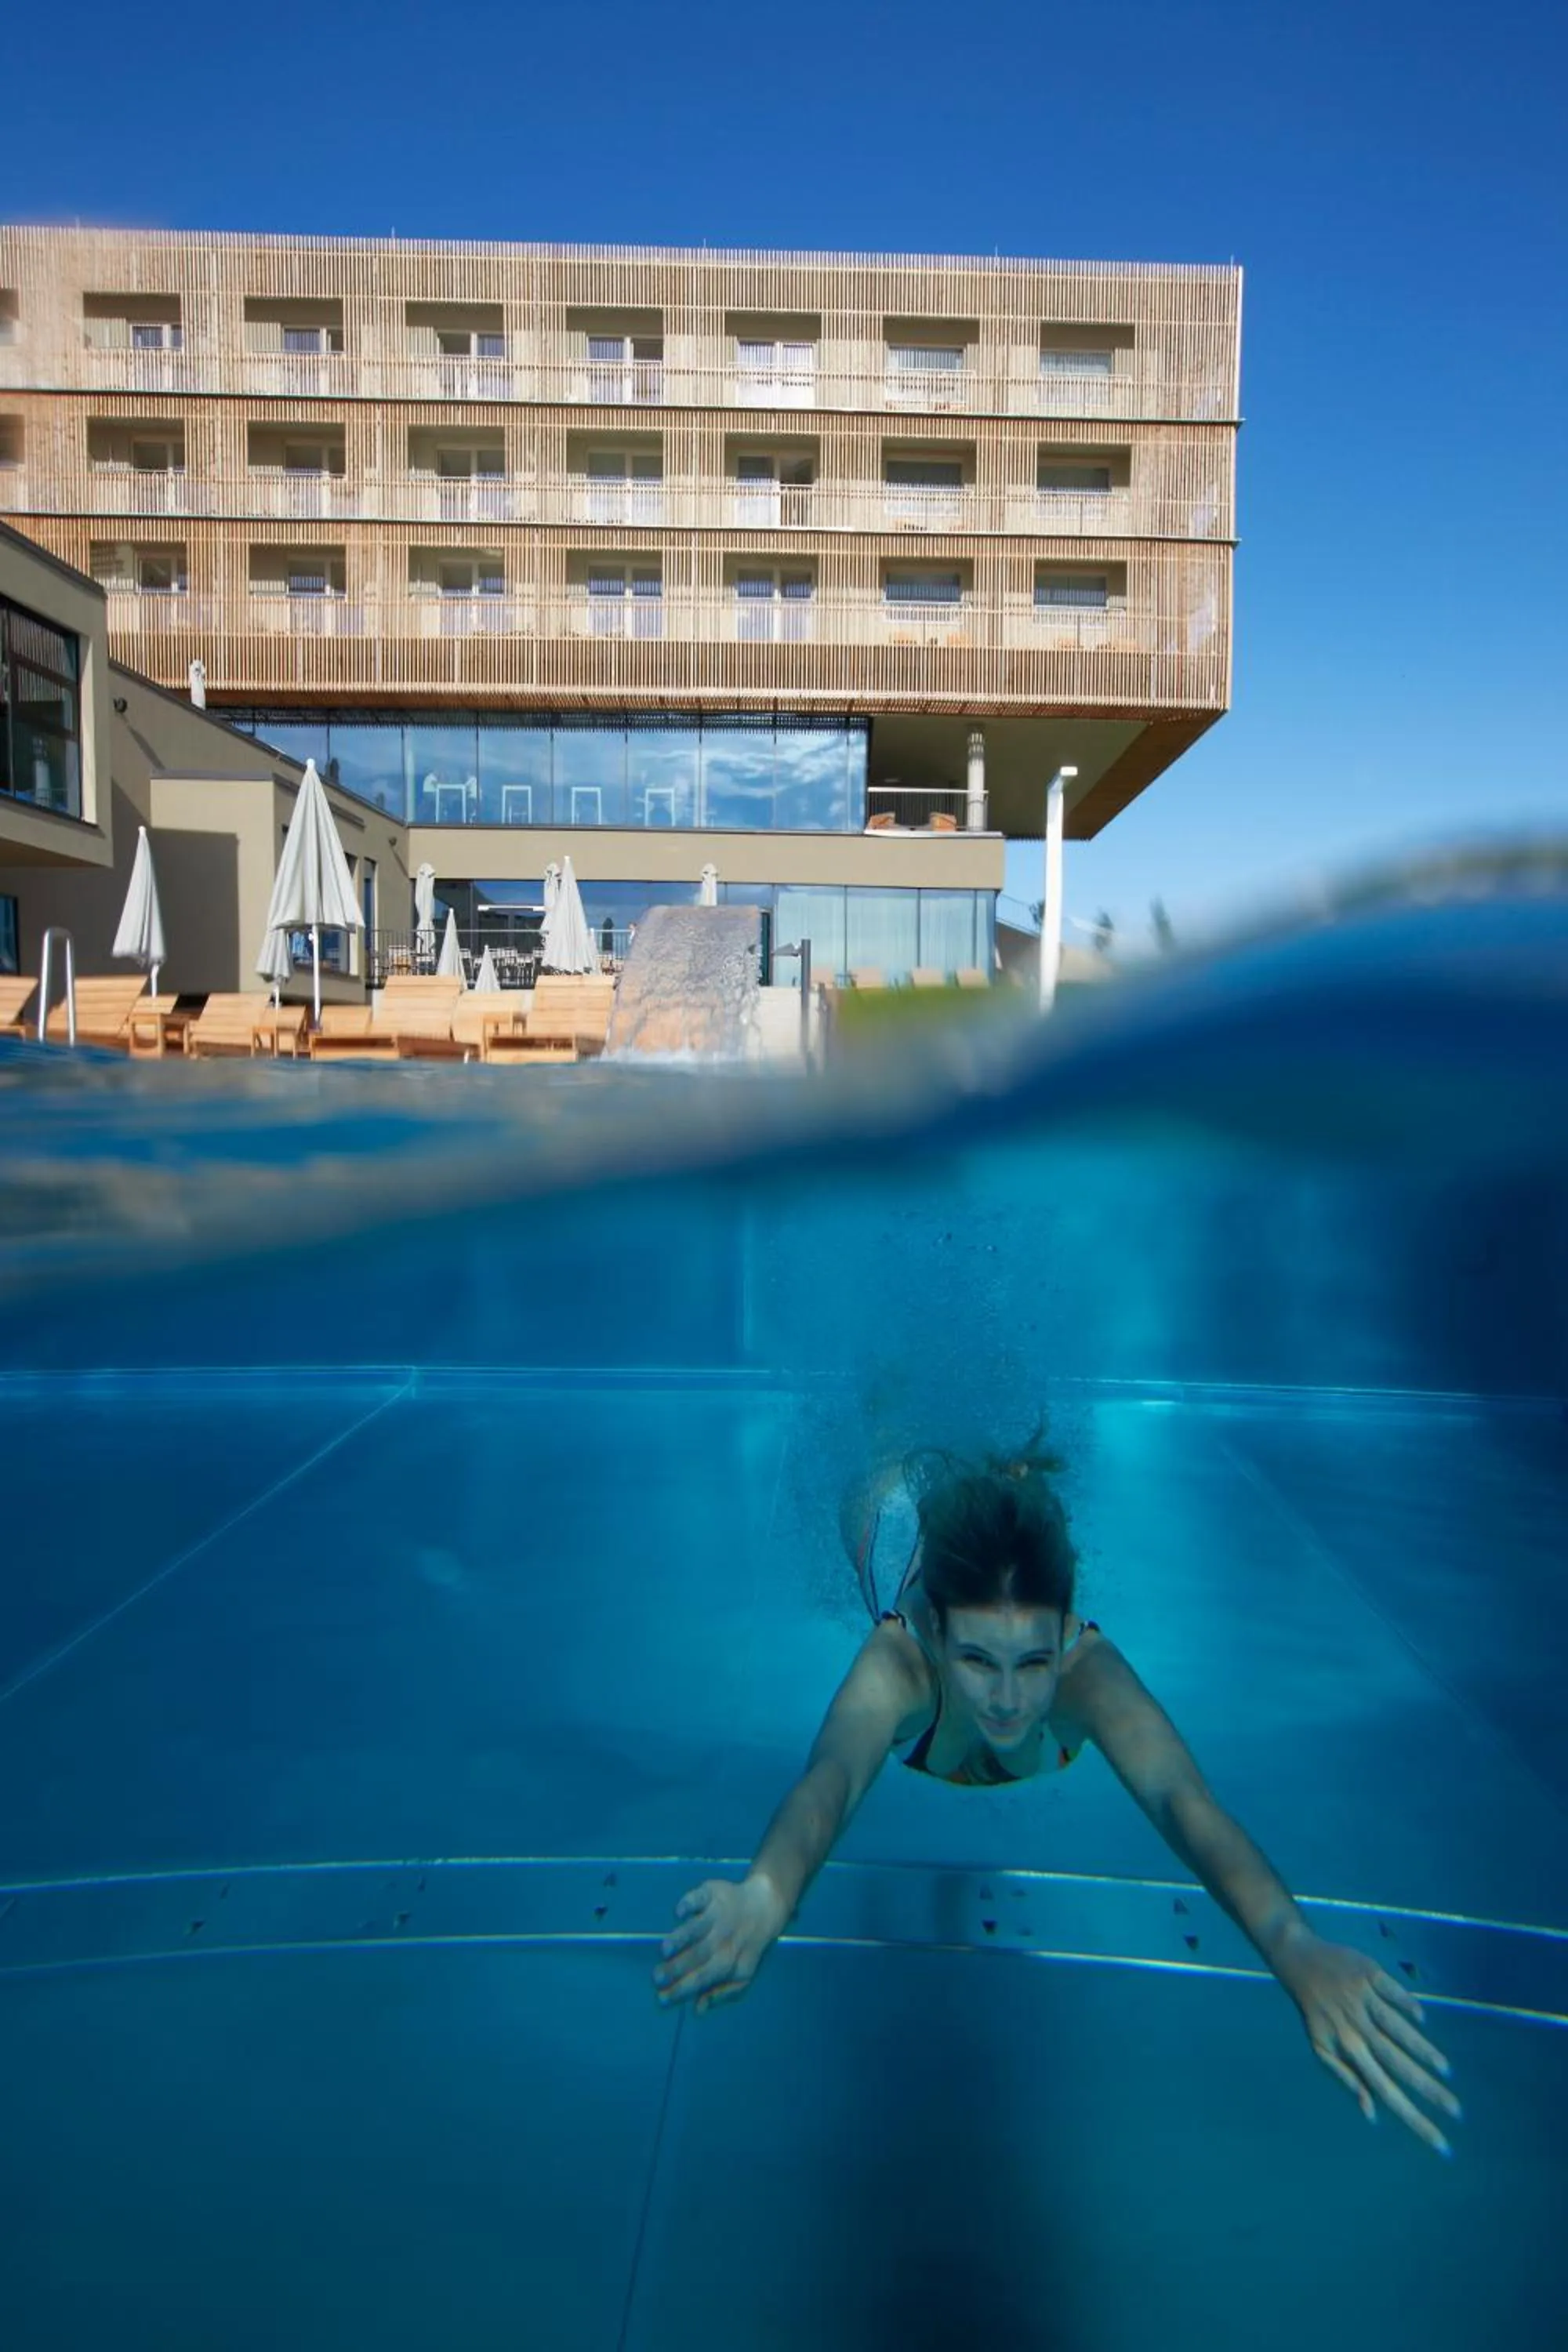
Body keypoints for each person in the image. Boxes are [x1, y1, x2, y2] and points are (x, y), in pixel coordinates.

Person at [654, 1433, 1461, 2158]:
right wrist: (766, 1891)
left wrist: (1291, 1943)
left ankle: (989, 1465)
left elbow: (1184, 1803)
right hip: (889, 1527)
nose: (1006, 1700)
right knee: (873, 1477)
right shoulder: (897, 1662)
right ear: (934, 1633)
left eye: (1031, 1663)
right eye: (975, 1661)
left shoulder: (1088, 1674)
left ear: (1064, 1630)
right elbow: (828, 1784)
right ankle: (895, 1424)